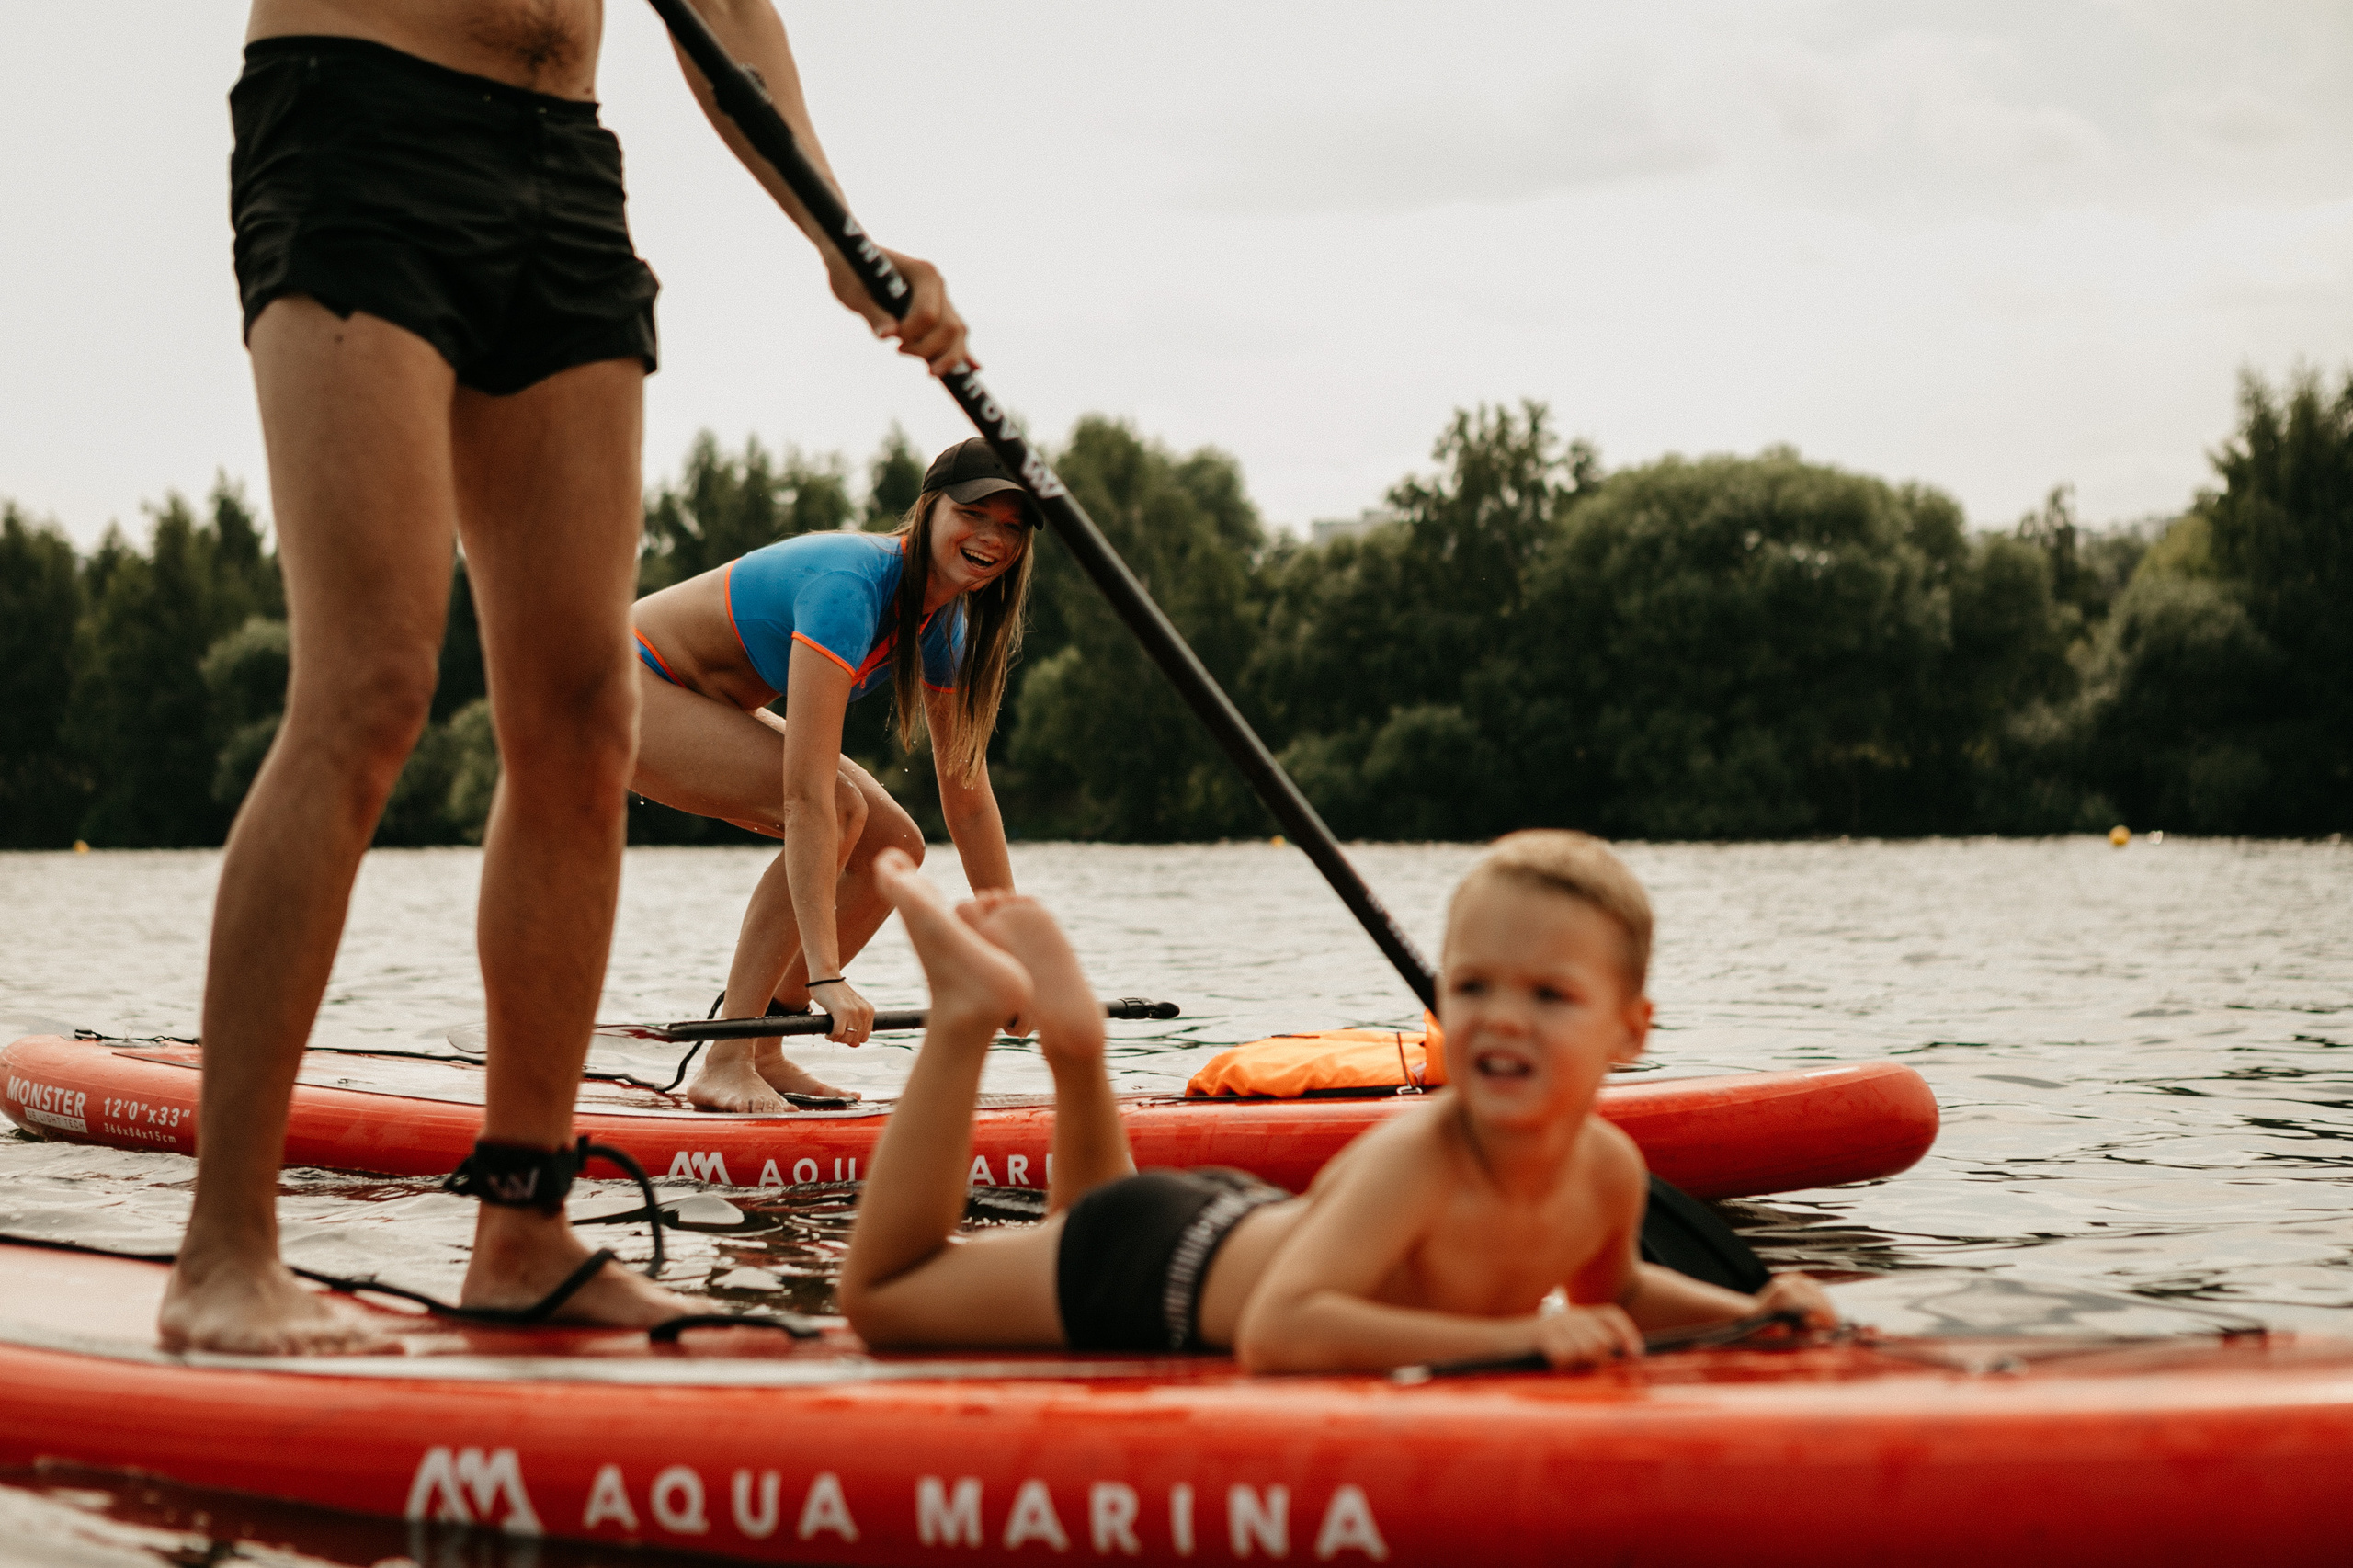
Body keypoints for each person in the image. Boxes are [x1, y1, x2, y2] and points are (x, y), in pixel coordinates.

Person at [160, 0, 972, 1356]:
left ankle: (523, 1233)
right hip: (360, 117)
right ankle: (227, 1250)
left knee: (587, 718)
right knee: (369, 689)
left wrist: (839, 230)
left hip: (562, 164)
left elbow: (727, 15)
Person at [839, 833, 1834, 1369]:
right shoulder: (1427, 1152)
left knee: (1075, 1221)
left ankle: (1077, 1046)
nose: (1503, 1018)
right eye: (1474, 985)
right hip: (1163, 1271)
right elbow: (1281, 1330)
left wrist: (1753, 1309)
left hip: (1216, 1221)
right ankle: (967, 1016)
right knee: (884, 1297)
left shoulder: (1607, 1169)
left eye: (1550, 995)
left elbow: (1615, 1293)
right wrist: (1516, 1336)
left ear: (1629, 1030)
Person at [628, 438, 1038, 1110]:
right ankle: (726, 1060)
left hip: (691, 703)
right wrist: (826, 976)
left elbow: (966, 796)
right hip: (615, 689)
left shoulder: (944, 627)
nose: (992, 537)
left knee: (894, 849)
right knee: (838, 807)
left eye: (1012, 526)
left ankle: (763, 1048)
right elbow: (807, 799)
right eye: (975, 514)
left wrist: (1015, 955)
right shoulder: (850, 586)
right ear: (930, 508)